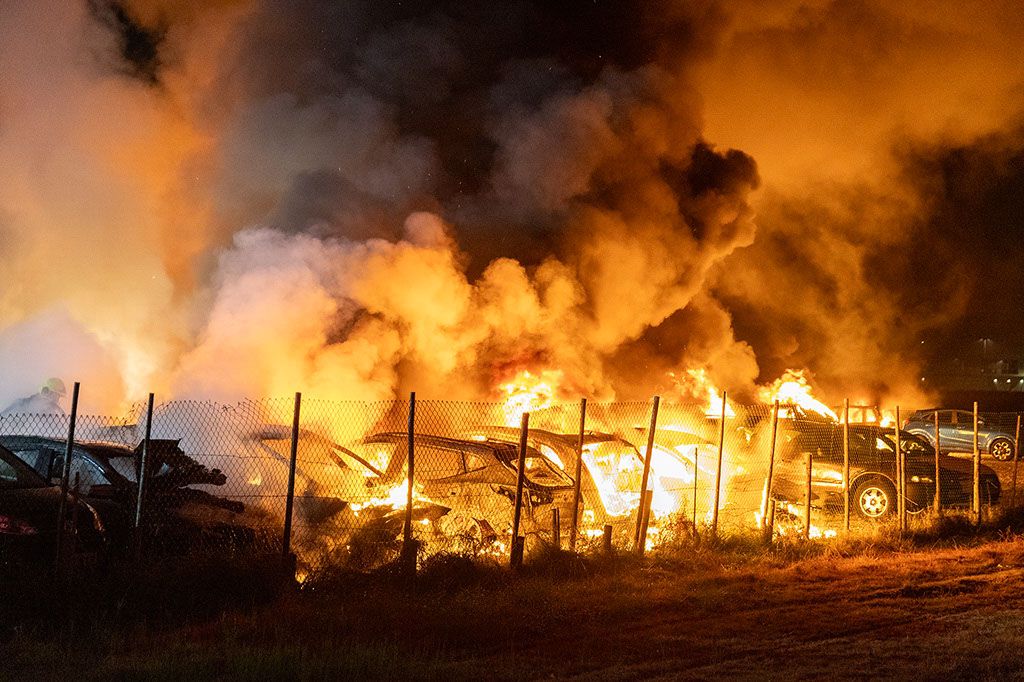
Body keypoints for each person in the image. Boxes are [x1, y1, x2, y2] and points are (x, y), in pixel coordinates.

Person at [0, 377, 67, 416]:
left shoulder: (20, 403)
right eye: (58, 396)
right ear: (48, 392)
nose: (58, 399)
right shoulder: (20, 404)